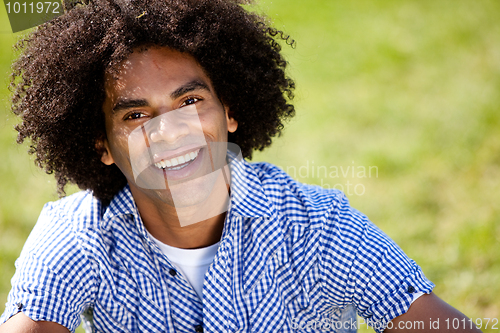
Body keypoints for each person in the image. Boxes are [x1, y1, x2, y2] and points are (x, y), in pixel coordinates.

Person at [0, 0, 483, 332]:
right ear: (102, 145)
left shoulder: (318, 227)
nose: (170, 132)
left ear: (229, 111)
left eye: (190, 100)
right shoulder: (76, 236)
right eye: (136, 114)